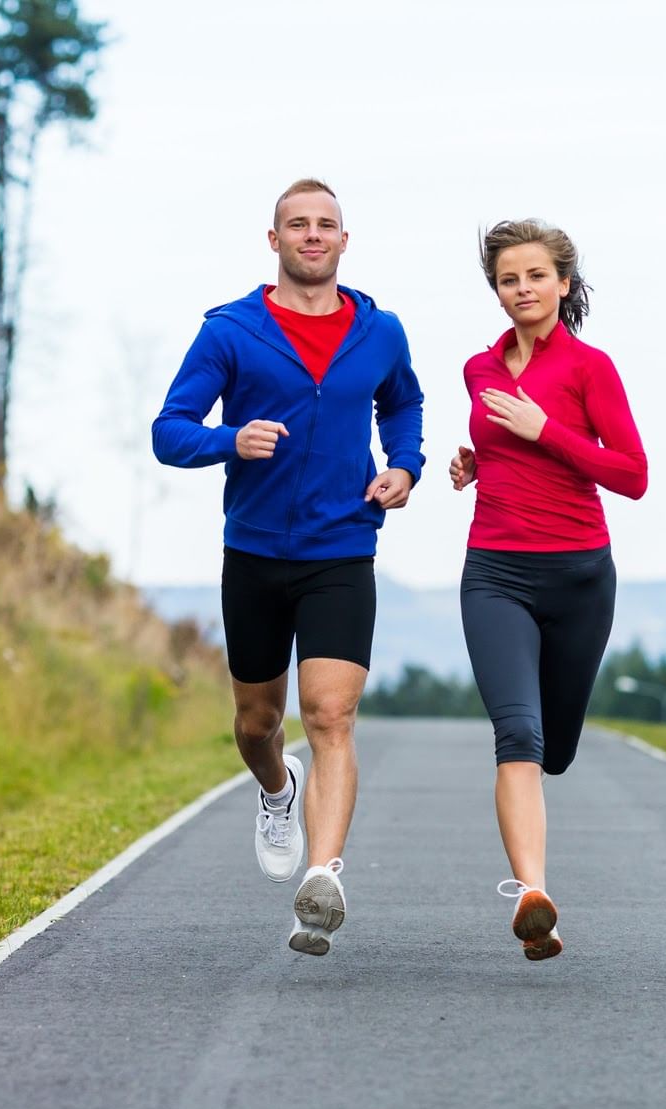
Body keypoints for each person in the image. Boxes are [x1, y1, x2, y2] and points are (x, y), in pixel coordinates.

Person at [153, 179, 424, 956]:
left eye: (326, 225)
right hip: (257, 553)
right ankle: (278, 788)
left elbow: (402, 405)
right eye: (297, 225)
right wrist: (228, 441)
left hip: (343, 546)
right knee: (258, 723)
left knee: (331, 716)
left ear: (345, 240)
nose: (312, 236)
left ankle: (324, 877)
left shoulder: (380, 330)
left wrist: (403, 466)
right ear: (273, 241)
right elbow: (170, 430)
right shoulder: (230, 331)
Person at [450, 219, 647, 961]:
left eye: (536, 275)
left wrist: (544, 431)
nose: (522, 289)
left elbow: (631, 474)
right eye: (508, 278)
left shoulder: (591, 369)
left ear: (564, 284)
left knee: (554, 749)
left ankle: (536, 874)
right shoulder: (479, 369)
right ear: (496, 290)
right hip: (495, 570)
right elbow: (497, 447)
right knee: (518, 737)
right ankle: (534, 897)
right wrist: (478, 466)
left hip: (580, 576)